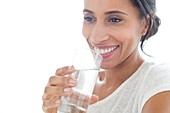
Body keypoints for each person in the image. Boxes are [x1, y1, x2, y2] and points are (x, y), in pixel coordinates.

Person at [42, 0, 170, 113]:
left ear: (145, 24)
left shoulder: (160, 82)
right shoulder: (77, 88)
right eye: (89, 18)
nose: (96, 37)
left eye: (114, 20)